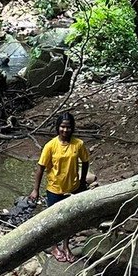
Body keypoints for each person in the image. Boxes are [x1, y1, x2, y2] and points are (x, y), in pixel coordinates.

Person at [28, 111, 91, 263]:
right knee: (54, 220)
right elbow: (40, 168)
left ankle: (66, 246)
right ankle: (55, 247)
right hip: (54, 189)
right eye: (62, 127)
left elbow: (86, 161)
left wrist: (82, 182)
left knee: (69, 219)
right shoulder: (50, 146)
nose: (65, 130)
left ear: (72, 128)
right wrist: (35, 190)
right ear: (57, 127)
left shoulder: (78, 144)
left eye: (68, 127)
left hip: (73, 187)